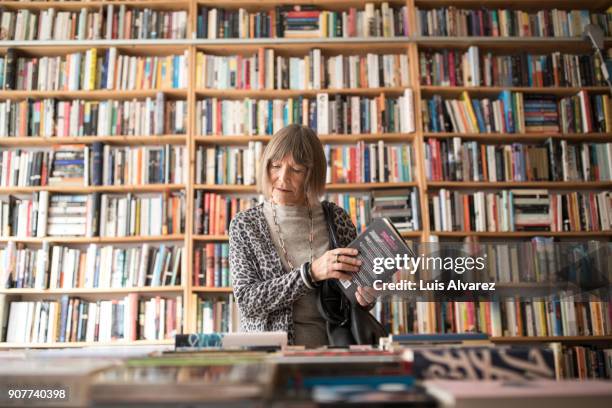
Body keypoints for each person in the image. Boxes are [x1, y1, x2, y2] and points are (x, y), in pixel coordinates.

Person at [229, 124, 375, 347]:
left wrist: (365, 298)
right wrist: (310, 274)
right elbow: (249, 301)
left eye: (296, 170)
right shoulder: (245, 225)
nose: (282, 178)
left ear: (311, 174)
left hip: (334, 353)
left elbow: (351, 293)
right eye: (276, 166)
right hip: (272, 358)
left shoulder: (337, 219)